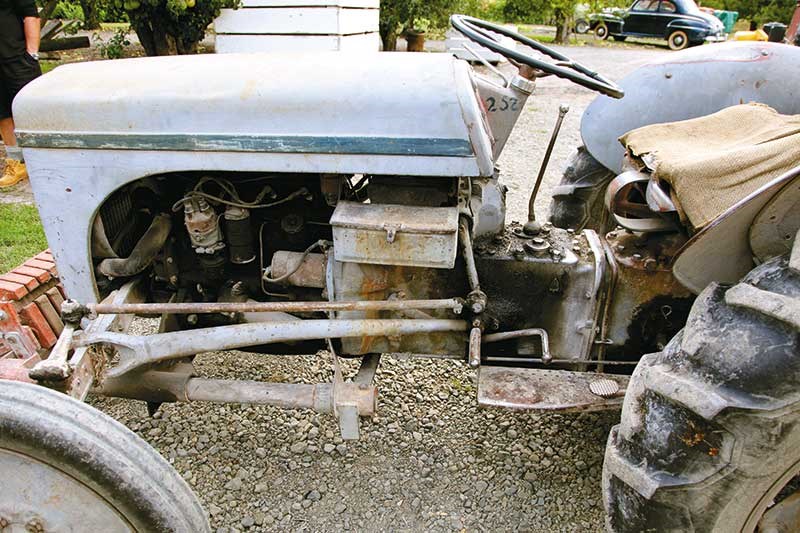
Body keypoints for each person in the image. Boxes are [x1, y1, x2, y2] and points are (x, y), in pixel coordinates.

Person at [0, 0, 41, 187]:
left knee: (31, 111)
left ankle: (44, 161)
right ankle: (16, 163)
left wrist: (32, 53)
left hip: (17, 59)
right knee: (3, 115)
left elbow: (30, 15)